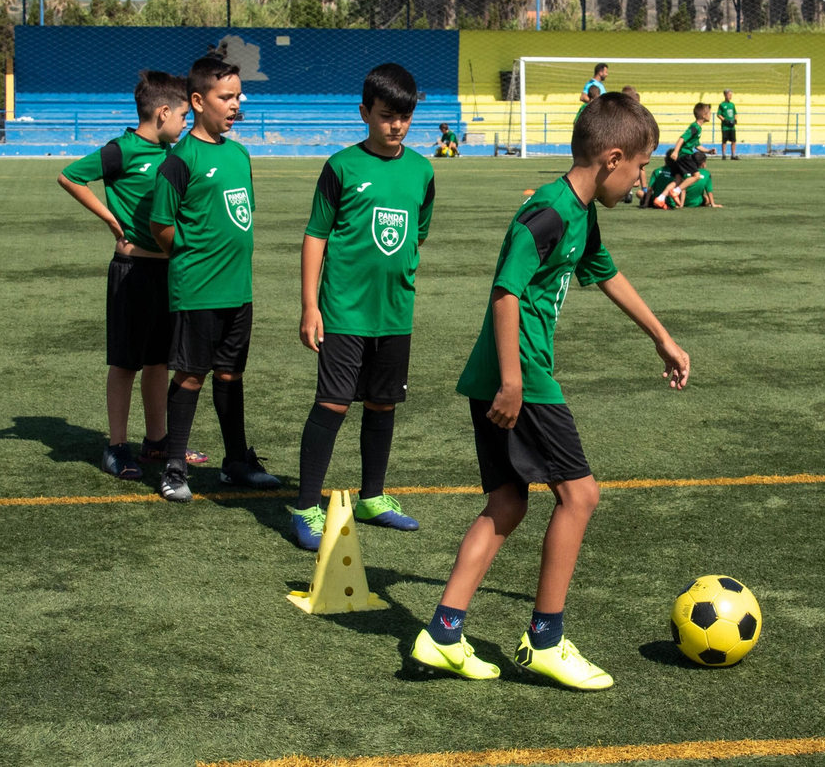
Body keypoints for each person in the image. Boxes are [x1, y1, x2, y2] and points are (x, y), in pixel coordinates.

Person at [408, 91, 689, 688]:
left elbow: (606, 273)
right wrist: (513, 381)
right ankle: (546, 639)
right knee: (580, 497)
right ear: (613, 158)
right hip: (522, 377)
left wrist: (661, 336)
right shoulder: (551, 212)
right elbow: (506, 292)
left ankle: (442, 632)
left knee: (509, 503)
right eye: (641, 166)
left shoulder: (580, 215)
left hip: (500, 376)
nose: (643, 179)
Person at [292, 64, 435, 550]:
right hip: (344, 312)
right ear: (365, 113)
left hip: (394, 313)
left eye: (405, 117)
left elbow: (416, 234)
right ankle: (307, 505)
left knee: (383, 402)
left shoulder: (422, 170)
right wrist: (311, 305)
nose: (396, 125)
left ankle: (373, 496)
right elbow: (316, 235)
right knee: (332, 403)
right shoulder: (340, 167)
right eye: (386, 116)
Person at [58, 70, 208, 480]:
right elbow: (69, 176)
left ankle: (157, 441)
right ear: (163, 113)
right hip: (131, 271)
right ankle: (116, 446)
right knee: (126, 362)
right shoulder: (121, 150)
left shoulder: (172, 155)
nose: (184, 126)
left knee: (159, 359)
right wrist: (108, 216)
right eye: (181, 117)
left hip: (168, 272)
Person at [148, 57, 282, 502]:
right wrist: (191, 260)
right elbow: (161, 225)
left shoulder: (240, 154)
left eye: (238, 95)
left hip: (238, 290)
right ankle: (173, 466)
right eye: (226, 97)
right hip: (198, 290)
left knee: (231, 376)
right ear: (198, 101)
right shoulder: (181, 160)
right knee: (191, 376)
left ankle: (237, 462)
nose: (235, 103)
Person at [655, 103, 714, 209]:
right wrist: (676, 151)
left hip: (680, 156)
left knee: (678, 179)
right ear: (704, 115)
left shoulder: (697, 128)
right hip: (684, 155)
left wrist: (708, 151)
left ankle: (660, 198)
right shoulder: (695, 127)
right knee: (696, 176)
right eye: (709, 113)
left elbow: (697, 145)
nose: (711, 115)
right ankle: (676, 191)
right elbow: (682, 138)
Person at [717, 89, 739, 161]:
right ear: (725, 95)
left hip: (732, 127)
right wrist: (725, 120)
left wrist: (735, 120)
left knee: (733, 140)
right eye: (729, 95)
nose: (730, 97)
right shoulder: (722, 105)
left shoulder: (732, 104)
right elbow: (719, 114)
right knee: (724, 140)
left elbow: (735, 113)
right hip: (725, 127)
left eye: (731, 95)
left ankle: (733, 155)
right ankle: (723, 155)